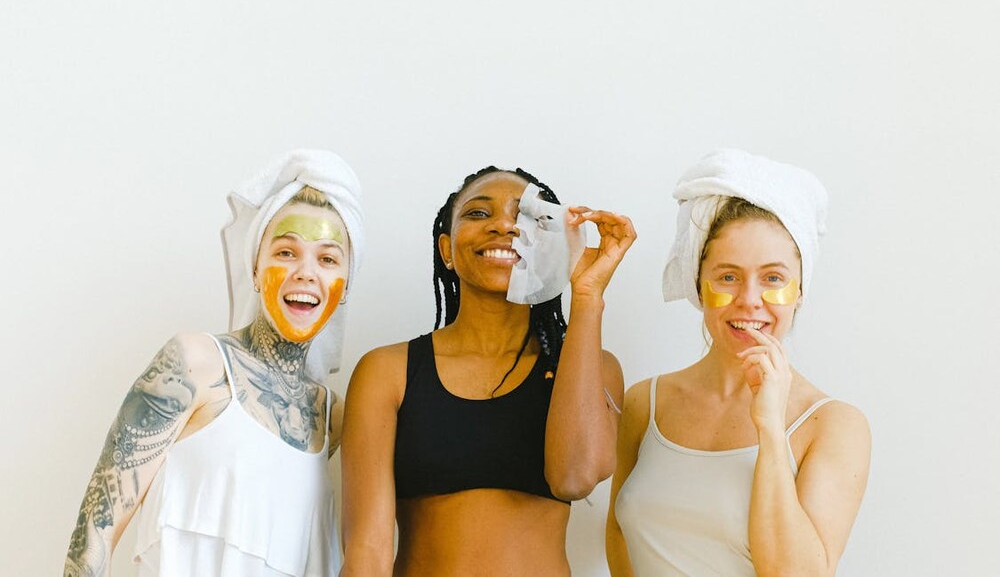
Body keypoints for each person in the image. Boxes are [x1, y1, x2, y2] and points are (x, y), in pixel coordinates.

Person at [64, 149, 364, 577]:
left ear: (345, 285)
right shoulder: (194, 364)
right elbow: (95, 532)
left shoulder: (334, 419)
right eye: (285, 252)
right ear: (255, 268)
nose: (306, 272)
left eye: (328, 259)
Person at [340, 166, 636, 576]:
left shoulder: (591, 368)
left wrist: (586, 295)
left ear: (551, 248)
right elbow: (366, 551)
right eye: (478, 213)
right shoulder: (387, 372)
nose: (503, 225)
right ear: (446, 249)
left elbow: (575, 477)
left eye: (526, 216)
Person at [606, 149, 871, 576]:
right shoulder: (644, 403)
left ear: (800, 289)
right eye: (728, 276)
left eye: (773, 278)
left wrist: (770, 428)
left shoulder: (833, 425)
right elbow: (619, 539)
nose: (749, 300)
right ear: (699, 284)